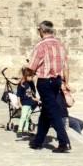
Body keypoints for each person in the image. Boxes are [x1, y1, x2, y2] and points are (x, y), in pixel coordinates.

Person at [27, 20, 71, 153]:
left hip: (45, 82)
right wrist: (66, 83)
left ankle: (64, 142)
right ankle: (38, 141)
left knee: (53, 111)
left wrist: (26, 77)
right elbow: (66, 66)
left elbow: (32, 67)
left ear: (41, 30)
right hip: (57, 81)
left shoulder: (40, 46)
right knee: (46, 111)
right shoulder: (60, 45)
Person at [16, 67, 39, 138]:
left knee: (28, 116)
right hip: (25, 103)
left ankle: (26, 129)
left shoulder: (29, 83)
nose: (32, 78)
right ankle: (19, 130)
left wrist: (35, 99)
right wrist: (19, 103)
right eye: (31, 76)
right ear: (27, 76)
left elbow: (30, 94)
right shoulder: (21, 84)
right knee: (23, 116)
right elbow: (18, 95)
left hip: (30, 102)